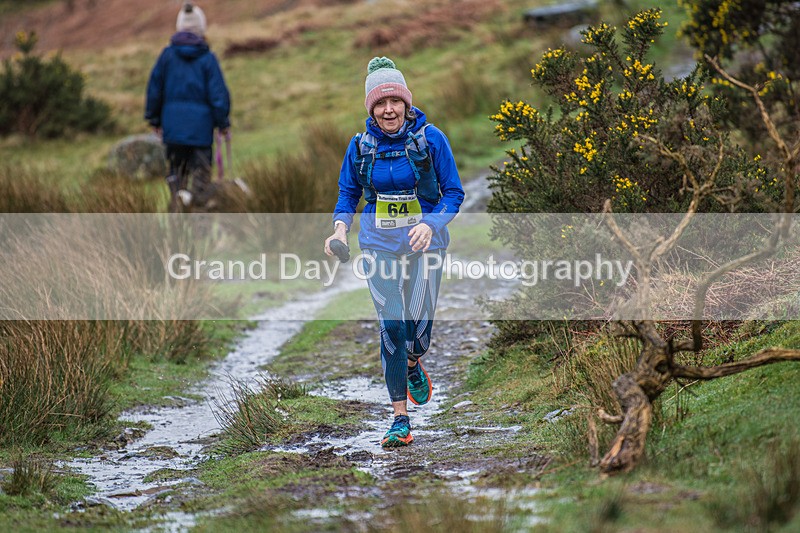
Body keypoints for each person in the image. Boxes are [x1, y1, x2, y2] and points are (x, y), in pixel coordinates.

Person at [324, 57, 465, 448]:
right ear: (371, 108)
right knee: (391, 326)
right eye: (380, 104)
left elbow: (454, 194)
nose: (389, 110)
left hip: (425, 245)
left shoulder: (430, 139)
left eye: (395, 103)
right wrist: (339, 229)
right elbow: (348, 193)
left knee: (417, 335)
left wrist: (430, 223)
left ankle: (414, 361)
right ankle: (400, 420)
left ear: (406, 104)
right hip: (377, 243)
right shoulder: (360, 146)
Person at [145, 2, 231, 211]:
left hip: (173, 134)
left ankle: (178, 222)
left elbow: (154, 90)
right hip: (201, 135)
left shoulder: (167, 56)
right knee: (200, 182)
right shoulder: (207, 59)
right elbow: (218, 95)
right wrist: (223, 123)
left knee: (177, 179)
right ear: (201, 28)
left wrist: (154, 119)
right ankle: (199, 223)